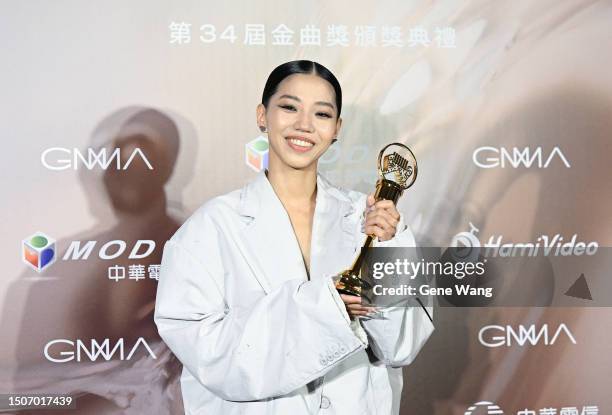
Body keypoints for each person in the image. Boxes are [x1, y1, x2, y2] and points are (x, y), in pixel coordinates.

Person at [154, 60, 434, 414]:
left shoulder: (370, 222)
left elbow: (403, 346)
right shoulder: (209, 229)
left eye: (321, 114)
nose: (304, 125)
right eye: (289, 107)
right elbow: (206, 352)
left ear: (336, 128)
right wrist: (325, 308)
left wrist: (389, 251)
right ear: (262, 115)